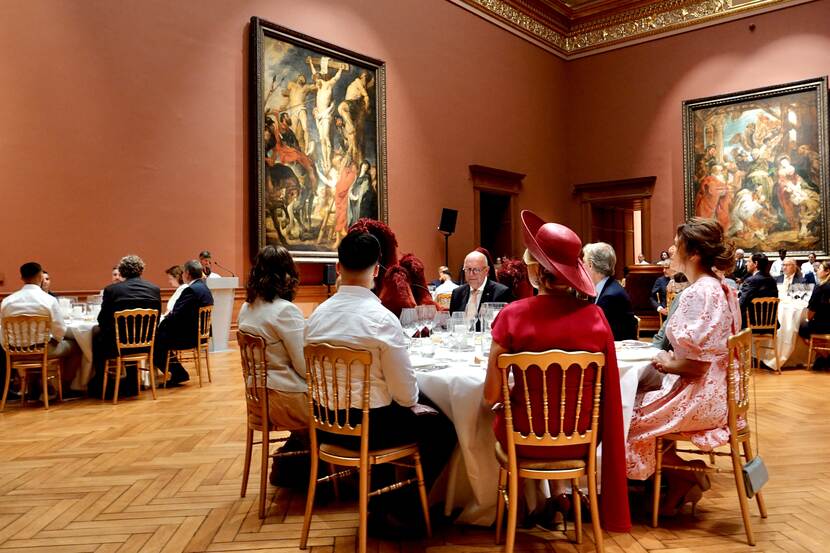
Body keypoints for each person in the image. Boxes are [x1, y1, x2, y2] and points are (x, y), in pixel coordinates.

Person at [481, 210, 630, 533]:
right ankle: (557, 500)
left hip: (523, 441)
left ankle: (516, 511)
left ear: (535, 271)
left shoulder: (511, 316)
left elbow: (490, 395)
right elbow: (609, 394)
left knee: (490, 420)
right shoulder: (596, 319)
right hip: (581, 443)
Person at [305, 230, 456, 534]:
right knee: (444, 430)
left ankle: (384, 502)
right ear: (376, 271)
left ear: (338, 266)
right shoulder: (381, 319)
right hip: (371, 429)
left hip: (325, 425)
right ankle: (404, 510)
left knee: (395, 407)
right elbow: (404, 394)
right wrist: (414, 401)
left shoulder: (316, 316)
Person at [626, 217, 741, 514]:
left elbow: (696, 367)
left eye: (677, 246)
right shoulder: (722, 287)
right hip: (721, 393)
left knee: (626, 417)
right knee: (636, 403)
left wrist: (666, 362)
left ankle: (686, 471)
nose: (671, 252)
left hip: (701, 395)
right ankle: (676, 481)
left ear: (694, 254)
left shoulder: (698, 293)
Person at [238, 245, 309, 485]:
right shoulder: (285, 311)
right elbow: (303, 367)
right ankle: (336, 473)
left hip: (257, 398)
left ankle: (292, 467)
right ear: (288, 275)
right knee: (339, 406)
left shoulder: (246, 308)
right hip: (285, 400)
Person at [1, 262, 77, 400]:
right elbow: (60, 329)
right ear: (41, 276)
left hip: (14, 352)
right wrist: (55, 340)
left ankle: (34, 386)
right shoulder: (48, 300)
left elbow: (2, 330)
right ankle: (65, 387)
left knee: (32, 348)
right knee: (75, 346)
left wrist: (9, 348)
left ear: (22, 278)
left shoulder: (7, 302)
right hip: (43, 350)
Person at [92, 255, 162, 398]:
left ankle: (100, 385)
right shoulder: (154, 289)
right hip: (146, 344)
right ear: (141, 271)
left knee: (97, 339)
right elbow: (157, 319)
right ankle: (132, 383)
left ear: (122, 272)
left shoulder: (112, 290)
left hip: (118, 345)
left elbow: (102, 320)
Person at [153, 260, 214, 385]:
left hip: (189, 337)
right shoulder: (203, 287)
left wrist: (162, 324)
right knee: (159, 338)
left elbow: (176, 314)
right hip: (199, 334)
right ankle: (178, 372)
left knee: (153, 342)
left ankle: (178, 374)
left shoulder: (191, 290)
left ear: (186, 273)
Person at [583, 242, 638, 341]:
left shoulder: (610, 296)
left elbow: (598, 334)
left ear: (591, 265)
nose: (582, 266)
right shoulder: (606, 288)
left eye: (584, 262)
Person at [448, 250, 513, 320]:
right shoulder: (457, 293)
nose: (471, 274)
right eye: (468, 269)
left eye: (476, 270)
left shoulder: (501, 292)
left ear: (486, 271)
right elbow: (453, 322)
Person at [739, 253, 778, 329]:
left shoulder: (751, 280)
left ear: (756, 263)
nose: (746, 264)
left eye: (749, 261)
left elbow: (742, 303)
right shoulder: (772, 280)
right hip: (770, 322)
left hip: (752, 323)